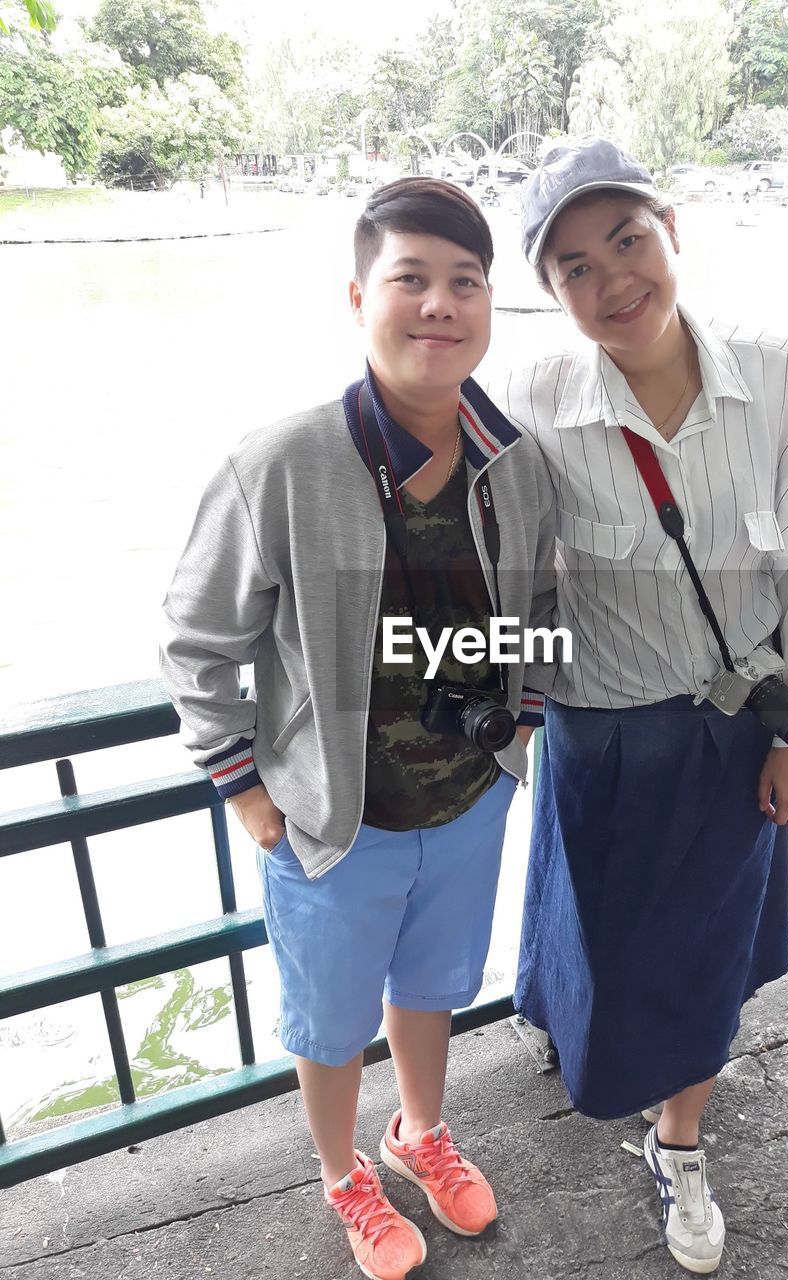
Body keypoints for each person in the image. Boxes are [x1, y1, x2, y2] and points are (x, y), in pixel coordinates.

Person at [160, 177, 557, 1280]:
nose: (440, 304)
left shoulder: (515, 462)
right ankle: (345, 1174)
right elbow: (196, 639)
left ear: (488, 305)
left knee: (432, 987)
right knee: (329, 1022)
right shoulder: (281, 463)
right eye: (411, 279)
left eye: (465, 283)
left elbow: (539, 612)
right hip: (332, 819)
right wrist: (248, 792)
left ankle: (419, 1131)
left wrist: (515, 732)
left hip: (469, 799)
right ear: (358, 296)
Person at [496, 138, 788, 1275]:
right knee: (580, 923)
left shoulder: (776, 375)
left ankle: (678, 1140)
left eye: (628, 241)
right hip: (594, 731)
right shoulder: (536, 395)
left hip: (732, 725)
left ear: (673, 229)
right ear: (549, 294)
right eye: (575, 266)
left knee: (700, 955)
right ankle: (562, 1023)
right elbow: (488, 552)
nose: (614, 282)